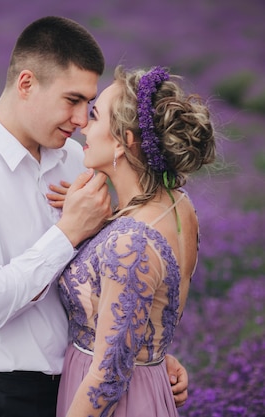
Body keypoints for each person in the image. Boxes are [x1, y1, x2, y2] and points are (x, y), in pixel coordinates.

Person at [0, 16, 188, 417]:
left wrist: (144, 349)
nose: (81, 121)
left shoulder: (78, 160)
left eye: (89, 106)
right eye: (72, 100)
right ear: (26, 84)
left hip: (82, 385)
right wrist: (68, 232)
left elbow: (107, 280)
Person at [53, 65, 216, 417]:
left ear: (125, 140)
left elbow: (108, 376)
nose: (83, 123)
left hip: (113, 404)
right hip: (147, 384)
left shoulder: (131, 242)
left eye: (94, 116)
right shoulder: (178, 205)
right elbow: (155, 311)